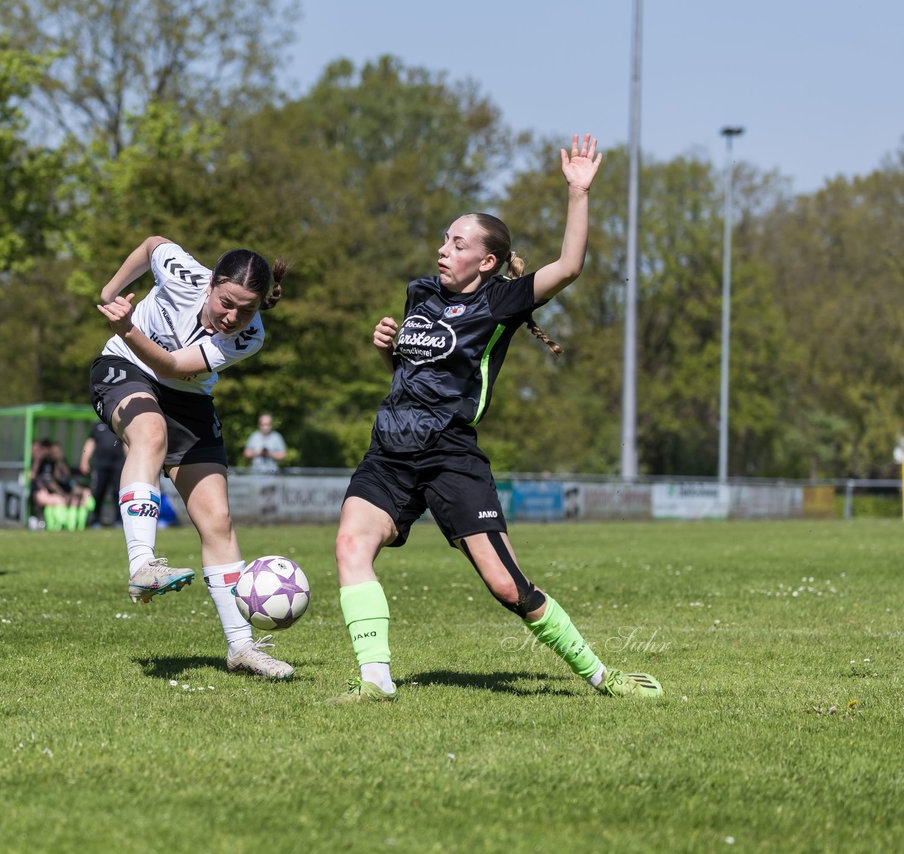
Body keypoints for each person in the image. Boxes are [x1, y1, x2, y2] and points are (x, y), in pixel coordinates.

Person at [330, 135, 663, 703]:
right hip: (388, 450)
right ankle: (375, 683)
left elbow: (570, 266)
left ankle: (603, 677)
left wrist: (578, 194)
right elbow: (411, 370)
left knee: (507, 585)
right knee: (349, 547)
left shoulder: (501, 302)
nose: (443, 249)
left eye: (457, 243)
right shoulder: (420, 294)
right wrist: (383, 346)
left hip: (449, 455)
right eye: (443, 239)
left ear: (486, 261)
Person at [91, 235, 294, 679]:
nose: (233, 317)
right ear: (210, 284)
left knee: (216, 518)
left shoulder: (250, 337)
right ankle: (142, 562)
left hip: (185, 395)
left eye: (247, 309)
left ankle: (241, 647)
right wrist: (109, 294)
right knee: (150, 432)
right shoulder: (182, 273)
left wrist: (126, 325)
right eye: (226, 303)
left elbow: (172, 367)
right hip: (125, 367)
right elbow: (152, 245)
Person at [29, 439, 92, 531]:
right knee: (59, 500)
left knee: (79, 497)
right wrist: (37, 461)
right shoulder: (33, 462)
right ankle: (57, 526)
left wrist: (59, 460)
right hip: (40, 492)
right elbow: (33, 477)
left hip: (55, 491)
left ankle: (75, 525)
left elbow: (63, 477)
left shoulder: (54, 462)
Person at [78, 419, 125, 526]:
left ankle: (119, 520)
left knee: (118, 492)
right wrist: (84, 460)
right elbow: (90, 443)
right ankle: (95, 519)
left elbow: (126, 443)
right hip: (100, 465)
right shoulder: (97, 425)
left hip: (117, 464)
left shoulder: (118, 423)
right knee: (98, 492)